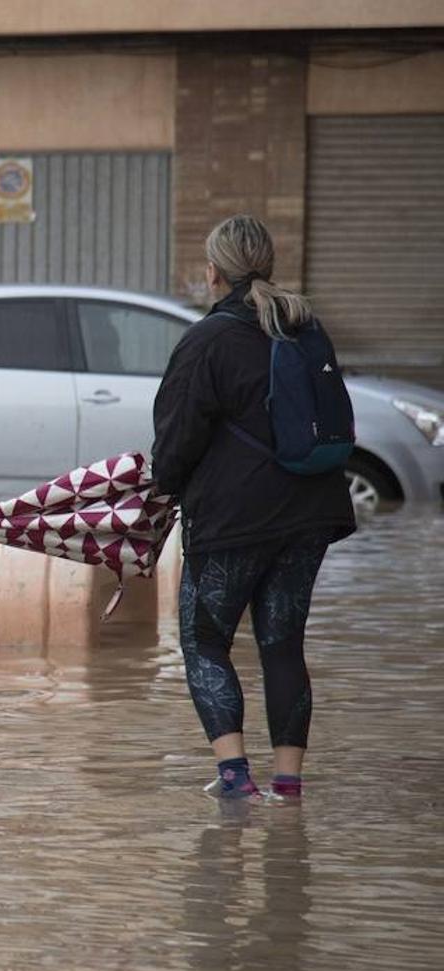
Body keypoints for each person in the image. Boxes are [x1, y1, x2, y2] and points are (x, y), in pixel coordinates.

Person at [152, 214, 355, 801]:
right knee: (283, 642)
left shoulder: (206, 340)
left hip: (234, 521)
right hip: (312, 511)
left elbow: (175, 443)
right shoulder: (304, 324)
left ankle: (236, 778)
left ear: (213, 272)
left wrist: (160, 487)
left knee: (205, 640)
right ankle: (288, 784)